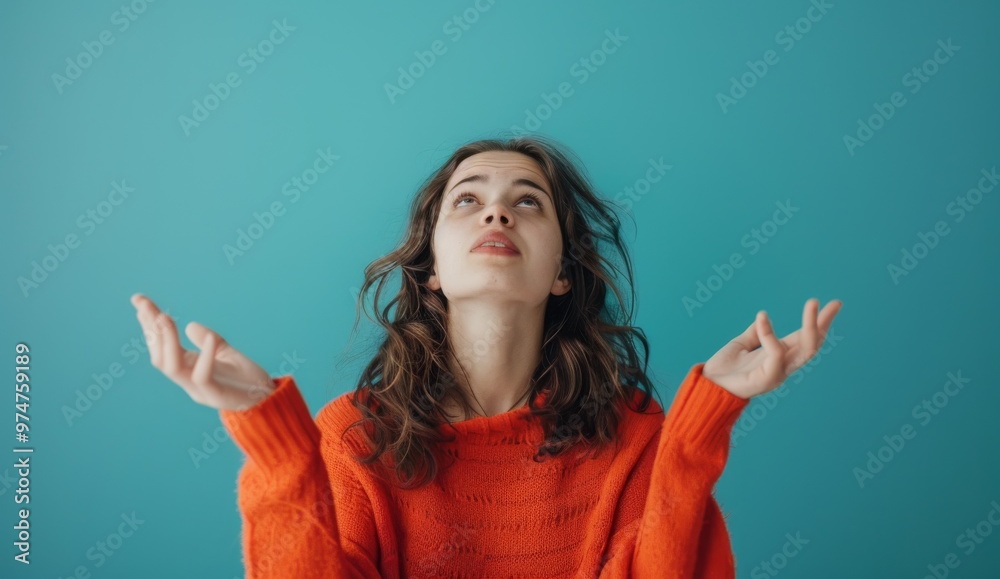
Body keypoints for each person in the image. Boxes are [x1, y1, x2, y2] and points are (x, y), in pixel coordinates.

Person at [130, 134, 842, 578]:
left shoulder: (636, 439)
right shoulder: (354, 437)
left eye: (527, 202)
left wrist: (700, 427)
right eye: (467, 201)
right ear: (431, 267)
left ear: (563, 270)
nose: (497, 213)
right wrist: (276, 443)